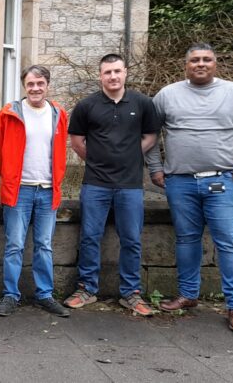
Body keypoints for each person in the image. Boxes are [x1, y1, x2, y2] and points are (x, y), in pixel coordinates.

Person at [146, 43, 233, 333]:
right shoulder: (167, 95)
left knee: (229, 243)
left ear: (215, 64)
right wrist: (155, 168)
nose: (200, 64)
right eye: (194, 60)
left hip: (224, 181)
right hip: (180, 181)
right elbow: (151, 135)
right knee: (186, 240)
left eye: (206, 59)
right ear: (185, 64)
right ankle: (188, 295)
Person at [64, 53, 159, 316]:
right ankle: (86, 289)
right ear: (100, 76)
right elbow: (77, 141)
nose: (113, 76)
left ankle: (131, 293)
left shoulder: (142, 103)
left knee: (131, 238)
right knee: (90, 237)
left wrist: (131, 155)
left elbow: (151, 135)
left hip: (130, 185)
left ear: (125, 72)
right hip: (96, 183)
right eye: (108, 72)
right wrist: (97, 159)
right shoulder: (87, 105)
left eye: (117, 71)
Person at [0, 65, 71, 318]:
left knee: (44, 245)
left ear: (47, 85)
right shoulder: (9, 113)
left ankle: (45, 294)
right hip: (19, 190)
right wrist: (11, 177)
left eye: (40, 83)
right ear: (24, 86)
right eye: (30, 84)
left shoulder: (59, 113)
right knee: (14, 244)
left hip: (48, 189)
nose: (35, 88)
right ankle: (10, 295)